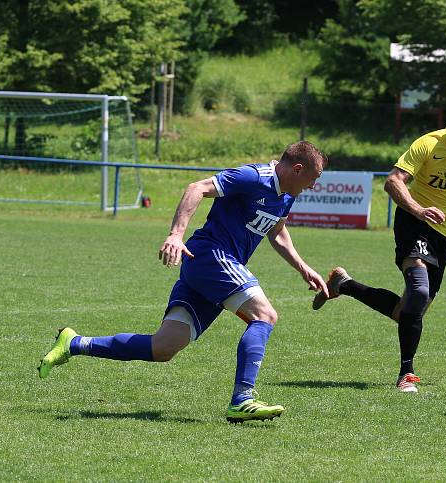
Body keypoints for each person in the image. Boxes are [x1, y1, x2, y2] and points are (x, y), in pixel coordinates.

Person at [38, 140, 330, 423]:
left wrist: (303, 267)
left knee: (164, 347)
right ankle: (242, 399)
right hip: (211, 256)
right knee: (265, 315)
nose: (312, 186)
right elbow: (197, 188)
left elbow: (276, 231)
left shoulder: (286, 195)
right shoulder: (253, 177)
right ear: (297, 169)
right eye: (313, 179)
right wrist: (175, 234)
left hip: (211, 267)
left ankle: (74, 343)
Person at [312, 96, 446, 393]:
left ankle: (345, 284)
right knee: (419, 291)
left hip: (444, 239)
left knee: (406, 312)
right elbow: (393, 181)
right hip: (414, 223)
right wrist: (418, 209)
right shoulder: (429, 144)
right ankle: (406, 374)